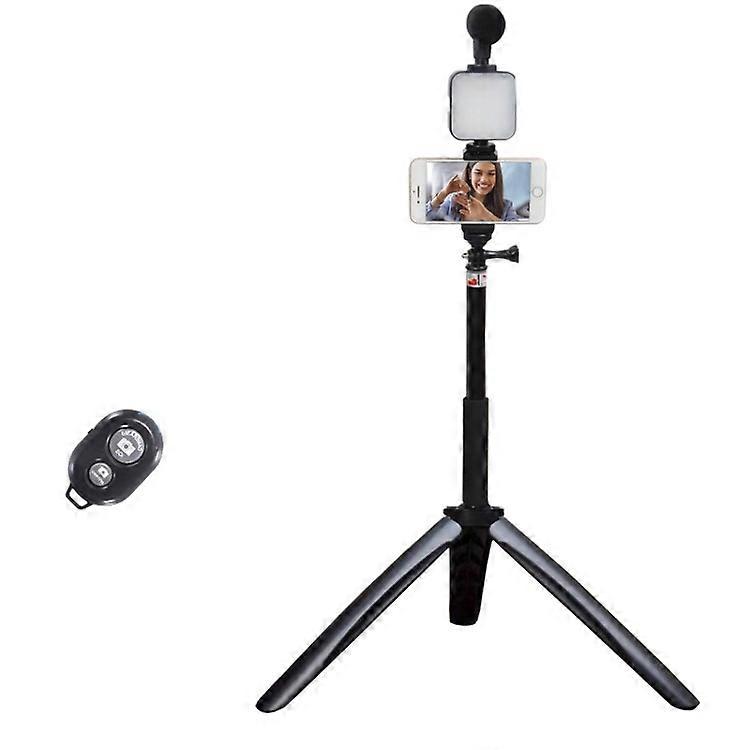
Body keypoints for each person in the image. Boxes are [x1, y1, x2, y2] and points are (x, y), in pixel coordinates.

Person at [426, 161, 519, 222]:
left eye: (491, 174)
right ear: (470, 174)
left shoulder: (506, 206)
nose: (484, 180)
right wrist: (443, 193)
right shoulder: (454, 201)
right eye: (478, 173)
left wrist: (485, 215)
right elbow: (425, 218)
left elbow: (515, 232)